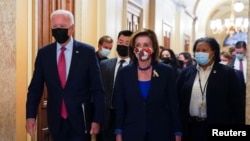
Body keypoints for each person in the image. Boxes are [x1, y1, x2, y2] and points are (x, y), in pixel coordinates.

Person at [25, 9, 105, 141]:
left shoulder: (87, 52)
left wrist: (97, 119)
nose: (58, 30)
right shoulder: (44, 54)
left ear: (71, 28)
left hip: (81, 120)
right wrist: (30, 116)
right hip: (56, 120)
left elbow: (98, 89)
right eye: (55, 27)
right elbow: (35, 89)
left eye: (62, 26)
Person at [113, 28, 182, 141]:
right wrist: (119, 131)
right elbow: (120, 106)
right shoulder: (124, 73)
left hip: (161, 132)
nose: (141, 49)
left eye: (146, 45)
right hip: (132, 132)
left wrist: (177, 131)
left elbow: (173, 104)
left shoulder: (166, 71)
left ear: (153, 48)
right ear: (133, 48)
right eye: (138, 45)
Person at [177, 37, 245, 141]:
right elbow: (178, 99)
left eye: (204, 50)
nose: (200, 53)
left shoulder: (227, 73)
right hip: (191, 127)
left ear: (213, 53)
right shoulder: (187, 72)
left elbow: (237, 104)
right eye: (197, 50)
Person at [99, 30, 133, 141]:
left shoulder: (137, 67)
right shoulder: (104, 64)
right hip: (107, 119)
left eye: (127, 43)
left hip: (128, 119)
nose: (123, 45)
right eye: (120, 42)